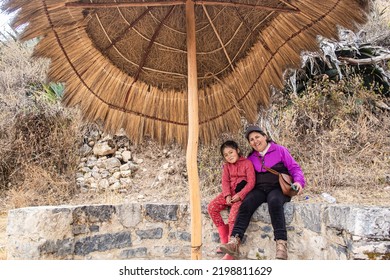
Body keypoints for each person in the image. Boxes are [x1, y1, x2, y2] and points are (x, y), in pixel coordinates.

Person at [219, 125, 305, 260]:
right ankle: (234, 241)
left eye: (257, 137)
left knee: (275, 202)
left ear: (265, 136)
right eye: (251, 139)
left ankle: (281, 244)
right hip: (259, 189)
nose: (255, 141)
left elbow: (294, 168)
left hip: (277, 188)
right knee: (246, 203)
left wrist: (299, 182)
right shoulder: (251, 157)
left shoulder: (280, 150)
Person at [207, 140, 255, 260]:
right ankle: (224, 240)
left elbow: (251, 182)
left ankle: (231, 249)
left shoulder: (247, 163)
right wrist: (227, 195)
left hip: (241, 195)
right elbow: (225, 182)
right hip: (229, 194)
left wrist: (240, 195)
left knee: (233, 216)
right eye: (226, 155)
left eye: (231, 152)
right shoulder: (227, 167)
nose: (229, 156)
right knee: (211, 207)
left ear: (237, 150)